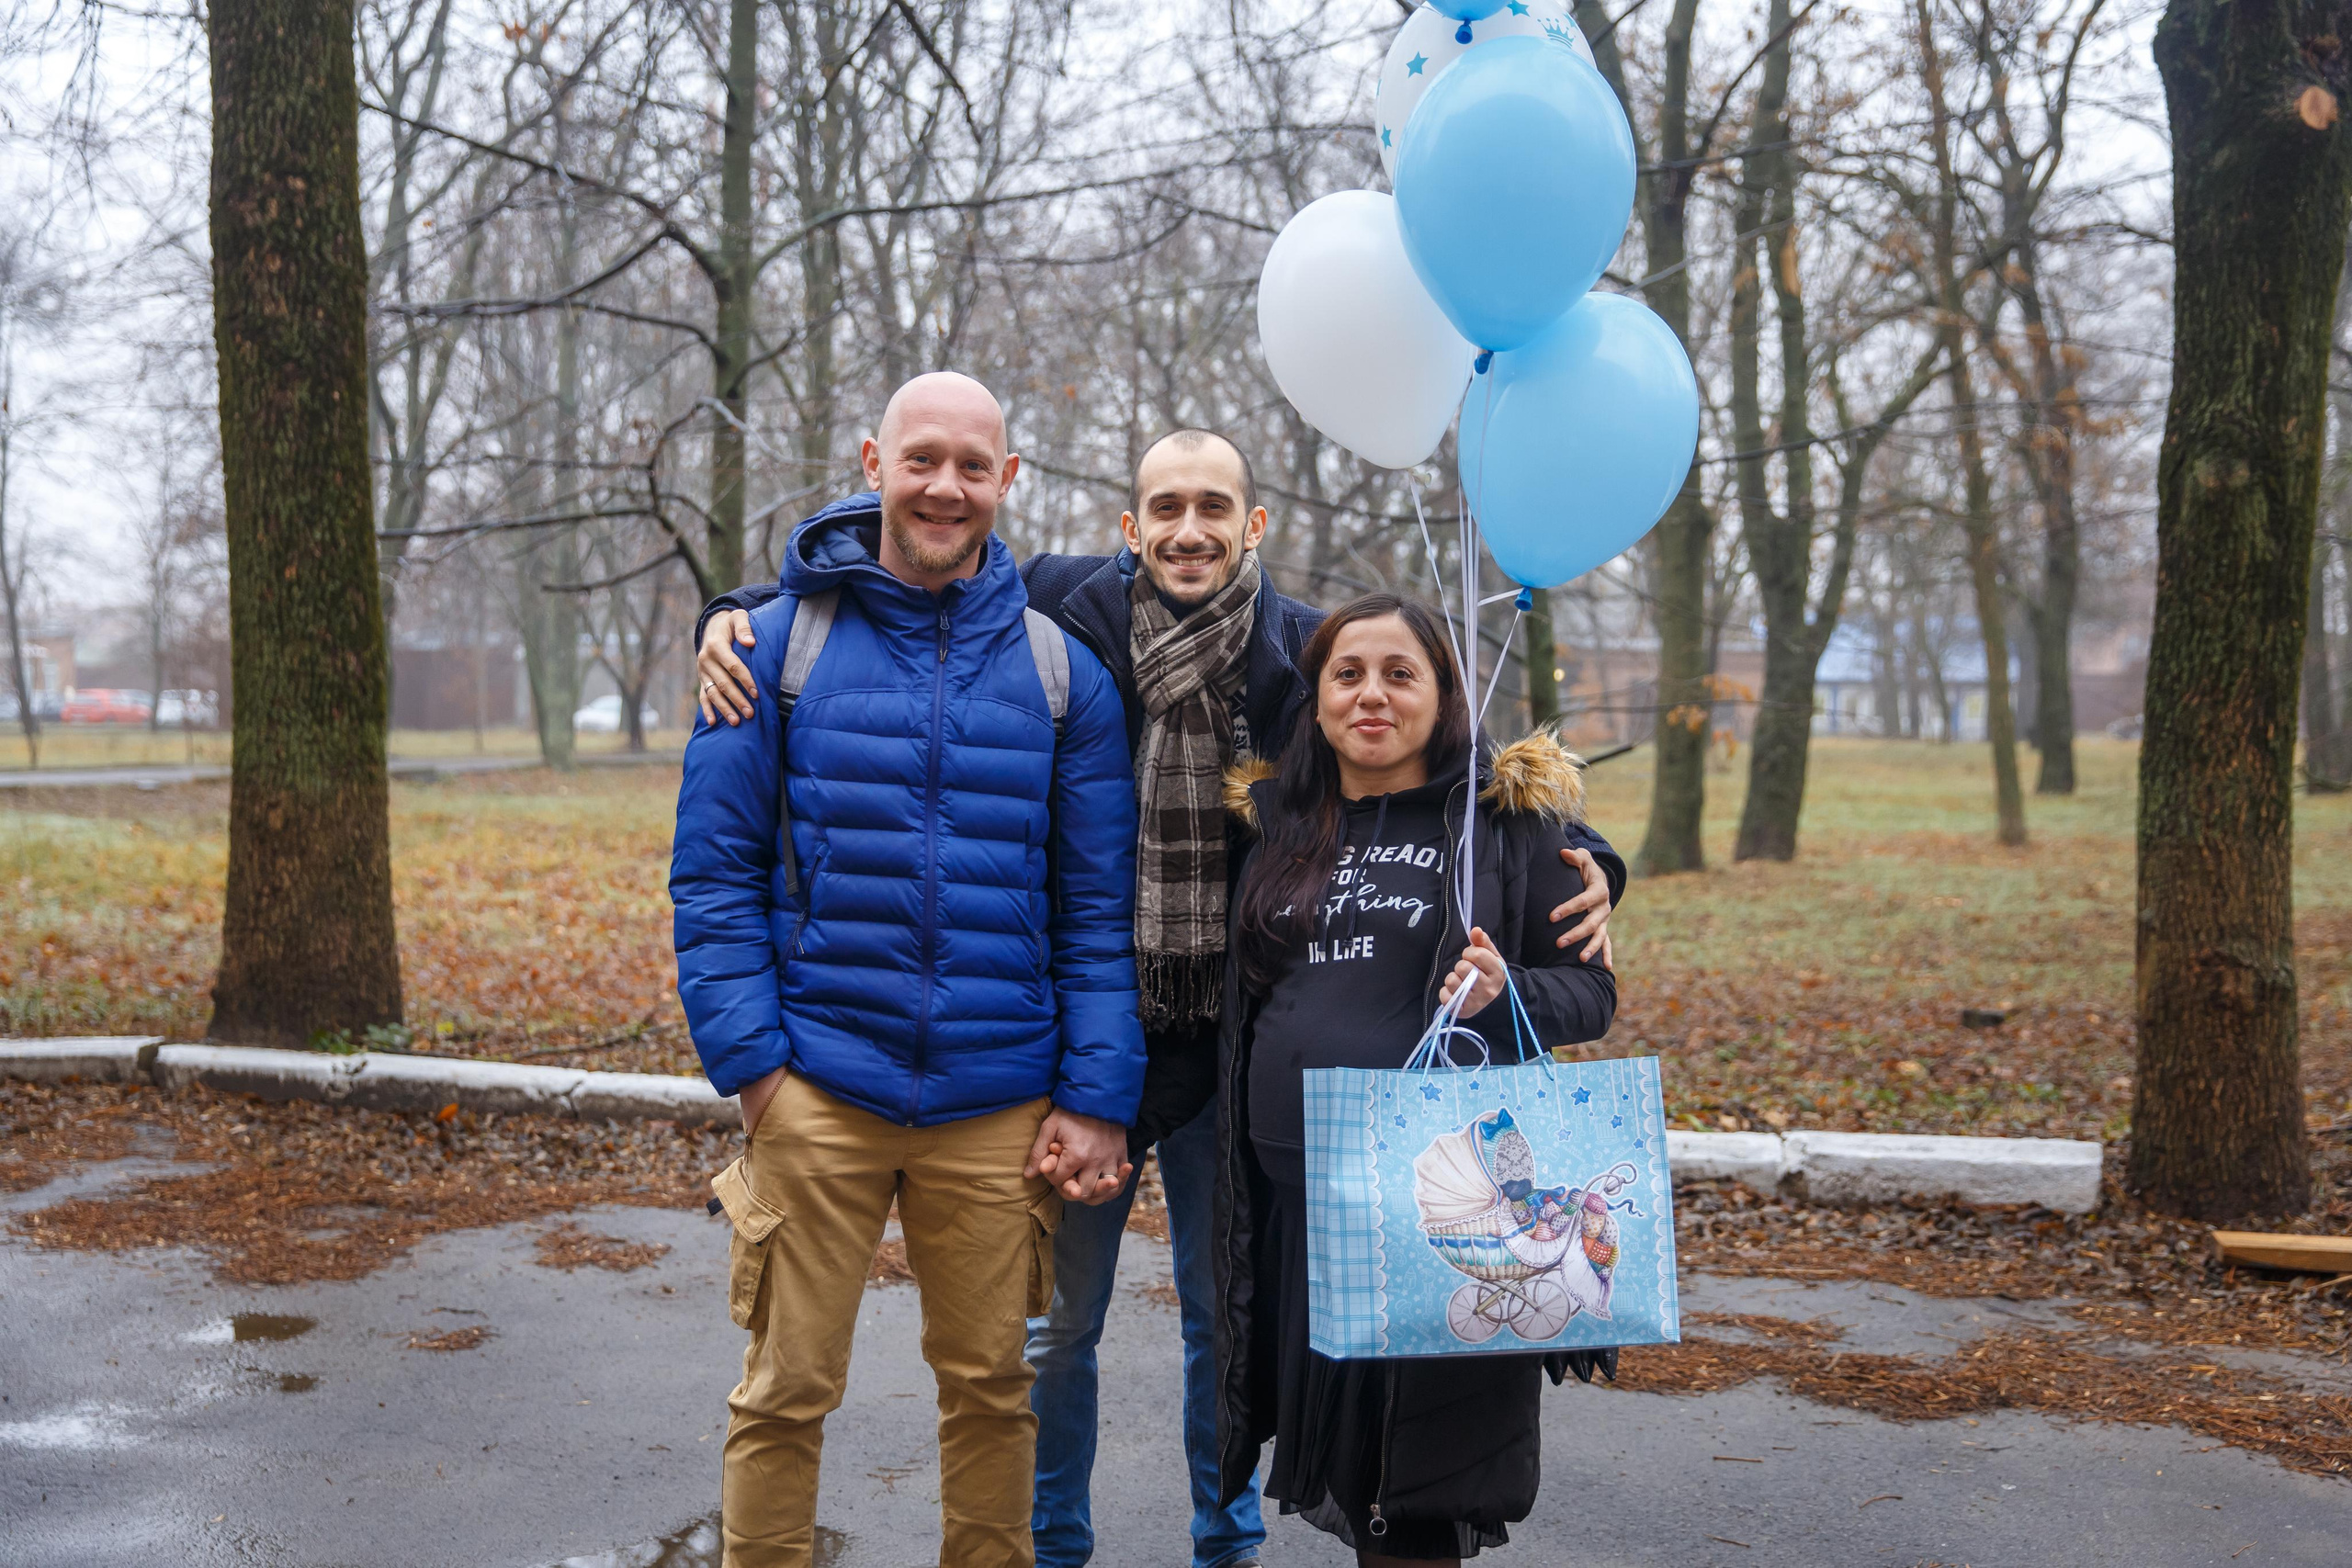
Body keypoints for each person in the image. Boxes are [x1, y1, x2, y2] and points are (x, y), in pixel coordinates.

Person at [694, 431, 1623, 1568]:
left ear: (1254, 526)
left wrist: (1594, 866)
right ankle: (1055, 1540)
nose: (1190, 529)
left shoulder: (1302, 650)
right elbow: (910, 559)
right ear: (1128, 528)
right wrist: (732, 610)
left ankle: (1221, 1541)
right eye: (1166, 508)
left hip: (1231, 1040)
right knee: (1055, 1326)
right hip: (1088, 1035)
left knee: (1214, 1316)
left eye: (1215, 508)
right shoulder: (1066, 610)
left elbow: (1446, 760)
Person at [671, 371, 1146, 1568]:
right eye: (922, 459)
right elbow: (715, 879)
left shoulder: (1061, 677)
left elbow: (1096, 913)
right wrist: (757, 1070)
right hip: (818, 1081)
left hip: (997, 1099)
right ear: (874, 460)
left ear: (1008, 480)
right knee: (784, 1389)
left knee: (993, 1390)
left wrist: (1094, 1092)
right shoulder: (772, 646)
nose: (945, 486)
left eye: (972, 466)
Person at [1213, 592, 1622, 1565]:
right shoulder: (1278, 823)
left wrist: (1505, 991)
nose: (1371, 696)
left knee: (1422, 1483)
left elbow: (1592, 994)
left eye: (1402, 675)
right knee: (1357, 1475)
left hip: (1445, 1207)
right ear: (1314, 701)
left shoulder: (1504, 827)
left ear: (1444, 698)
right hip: (1301, 1197)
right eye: (1346, 675)